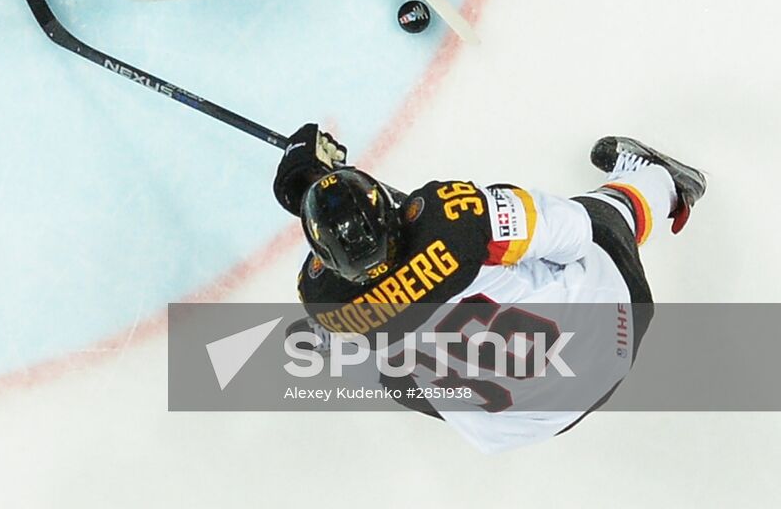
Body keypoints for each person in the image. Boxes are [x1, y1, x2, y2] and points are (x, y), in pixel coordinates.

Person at [273, 125, 708, 453]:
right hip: (612, 337)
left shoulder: (321, 297)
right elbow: (571, 230)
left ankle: (333, 340)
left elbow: (362, 260)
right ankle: (662, 182)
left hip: (525, 423)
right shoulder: (454, 220)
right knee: (596, 221)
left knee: (388, 368)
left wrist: (314, 188)